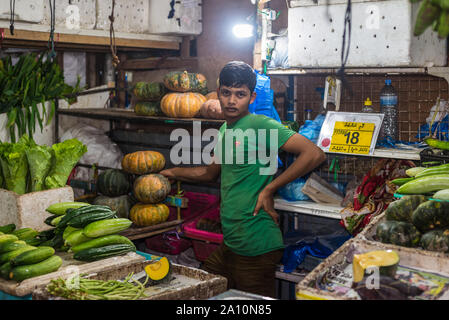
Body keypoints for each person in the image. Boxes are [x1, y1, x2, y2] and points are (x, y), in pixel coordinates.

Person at [160, 61, 325, 298]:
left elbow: (314, 153)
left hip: (256, 244)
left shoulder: (261, 124)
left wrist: (270, 189)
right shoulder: (225, 130)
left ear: (252, 97)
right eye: (226, 93)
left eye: (240, 94)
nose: (231, 100)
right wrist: (173, 172)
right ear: (219, 94)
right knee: (203, 290)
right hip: (231, 244)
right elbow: (209, 173)